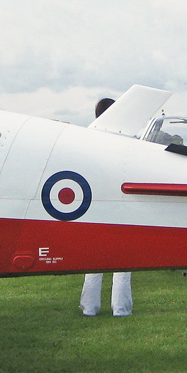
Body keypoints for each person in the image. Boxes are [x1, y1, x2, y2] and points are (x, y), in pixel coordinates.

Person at [80, 98, 132, 317]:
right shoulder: (127, 140)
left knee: (93, 260)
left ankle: (89, 307)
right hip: (121, 203)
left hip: (94, 204)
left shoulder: (87, 139)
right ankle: (120, 308)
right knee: (123, 260)